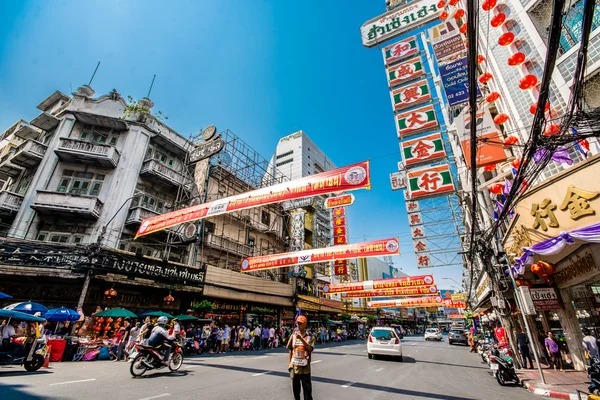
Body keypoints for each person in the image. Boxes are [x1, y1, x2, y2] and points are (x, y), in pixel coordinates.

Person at [287, 315, 315, 400]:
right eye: (298, 323)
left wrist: (301, 339)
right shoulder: (293, 335)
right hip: (295, 367)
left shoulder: (310, 336)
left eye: (301, 323)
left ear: (305, 324)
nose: (299, 325)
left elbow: (310, 348)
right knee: (296, 392)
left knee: (307, 392)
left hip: (305, 368)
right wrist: (290, 364)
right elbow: (291, 350)